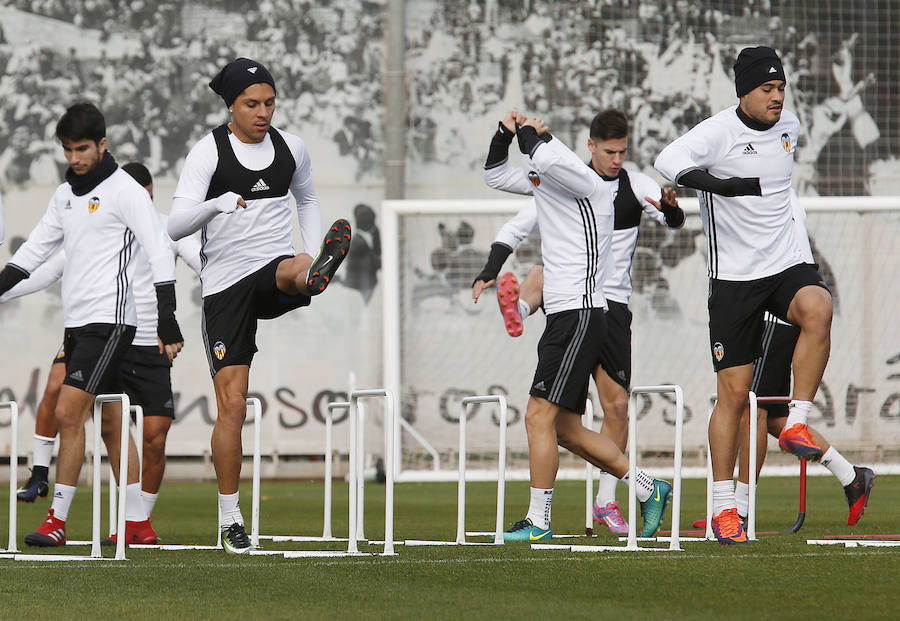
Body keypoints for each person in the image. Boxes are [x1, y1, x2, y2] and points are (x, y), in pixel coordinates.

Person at [167, 58, 351, 554]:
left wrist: (310, 250)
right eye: (252, 104)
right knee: (233, 405)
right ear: (231, 106)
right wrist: (215, 204)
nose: (263, 112)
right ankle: (231, 519)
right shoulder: (208, 152)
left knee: (292, 268)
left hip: (273, 267)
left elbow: (308, 200)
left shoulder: (293, 148)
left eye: (270, 102)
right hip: (224, 287)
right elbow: (174, 225)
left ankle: (311, 275)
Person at [472, 109, 685, 535]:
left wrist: (532, 133)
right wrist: (505, 132)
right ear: (589, 148)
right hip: (567, 314)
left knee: (538, 417)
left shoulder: (590, 185)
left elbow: (546, 157)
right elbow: (496, 174)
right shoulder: (551, 183)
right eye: (608, 150)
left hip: (581, 313)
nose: (615, 158)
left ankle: (538, 520)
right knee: (565, 428)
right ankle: (647, 486)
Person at [655, 46, 834, 545]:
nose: (777, 97)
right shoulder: (717, 132)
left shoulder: (790, 127)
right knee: (733, 395)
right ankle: (723, 507)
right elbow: (666, 160)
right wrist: (722, 186)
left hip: (782, 267)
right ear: (744, 92)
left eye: (781, 88)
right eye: (767, 89)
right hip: (733, 281)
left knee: (819, 307)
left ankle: (796, 423)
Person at [0, 103, 184, 547]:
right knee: (106, 422)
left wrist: (167, 317)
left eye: (82, 148)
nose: (75, 158)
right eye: (68, 150)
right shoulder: (64, 196)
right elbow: (31, 256)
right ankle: (134, 520)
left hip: (114, 321)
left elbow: (160, 250)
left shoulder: (126, 191)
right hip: (78, 323)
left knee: (68, 411)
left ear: (103, 144)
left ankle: (56, 519)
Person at [733, 193, 874, 527]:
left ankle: (738, 509)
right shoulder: (768, 191)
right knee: (773, 420)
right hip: (776, 308)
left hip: (777, 313)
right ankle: (852, 476)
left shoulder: (771, 196)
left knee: (753, 408)